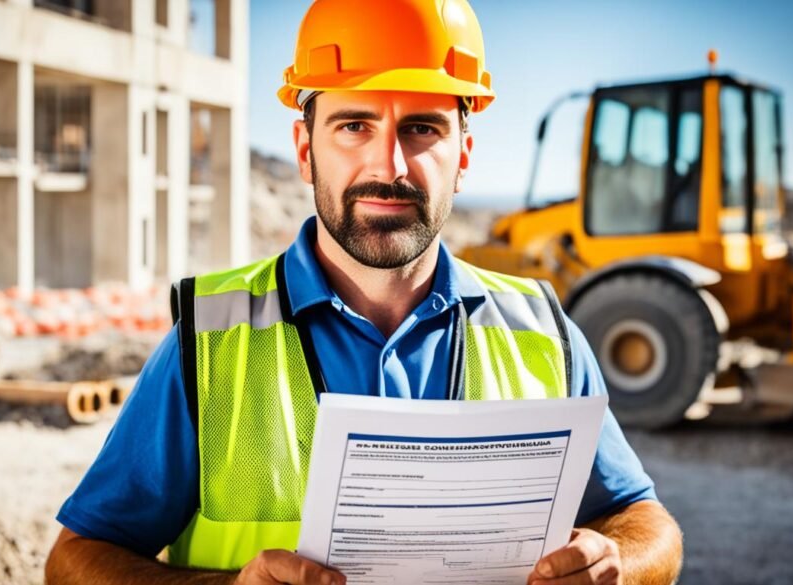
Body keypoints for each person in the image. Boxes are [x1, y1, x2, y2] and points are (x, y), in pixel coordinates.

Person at [46, 1, 683, 583]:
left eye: (423, 129)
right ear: (304, 150)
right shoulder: (210, 341)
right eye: (354, 125)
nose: (390, 167)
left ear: (463, 155)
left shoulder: (541, 334)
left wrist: (617, 561)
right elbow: (74, 561)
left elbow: (648, 523)